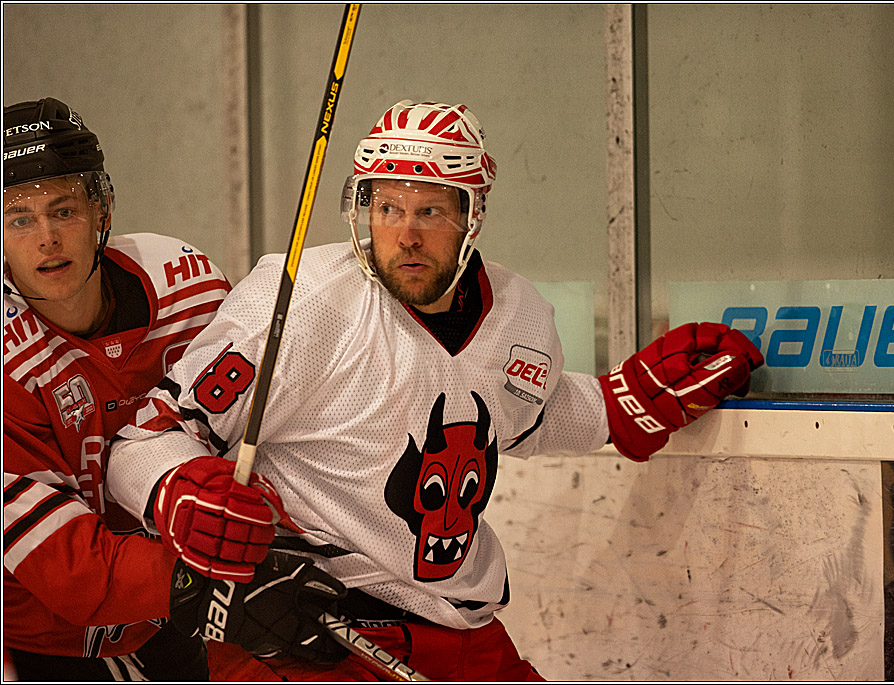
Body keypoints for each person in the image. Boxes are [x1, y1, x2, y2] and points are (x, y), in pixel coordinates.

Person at [106, 99, 765, 681]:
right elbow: (147, 438)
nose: (406, 234)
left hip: (463, 635)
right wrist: (180, 491)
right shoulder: (300, 303)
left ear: (471, 216)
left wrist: (615, 404)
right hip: (309, 634)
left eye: (430, 210)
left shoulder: (518, 313)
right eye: (388, 208)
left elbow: (525, 413)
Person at [3, 97, 232, 680]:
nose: (47, 238)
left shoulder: (189, 288)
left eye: (63, 210)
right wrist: (201, 581)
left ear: (101, 208)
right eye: (19, 218)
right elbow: (70, 568)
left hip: (181, 617)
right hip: (44, 641)